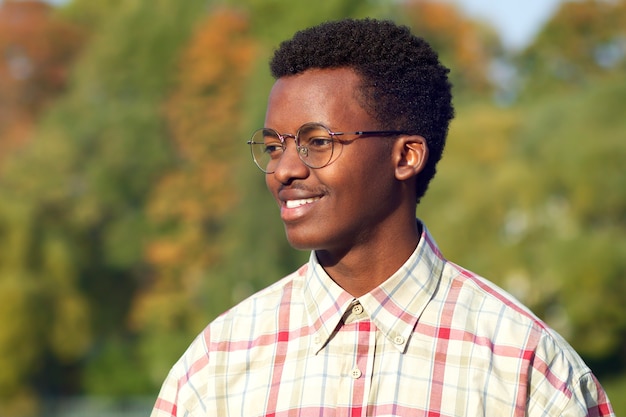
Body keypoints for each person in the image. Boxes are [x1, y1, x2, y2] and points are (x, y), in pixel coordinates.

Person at [150, 18, 614, 416]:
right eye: (274, 146)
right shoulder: (219, 364)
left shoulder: (525, 366)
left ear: (406, 156)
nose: (285, 169)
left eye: (318, 141)